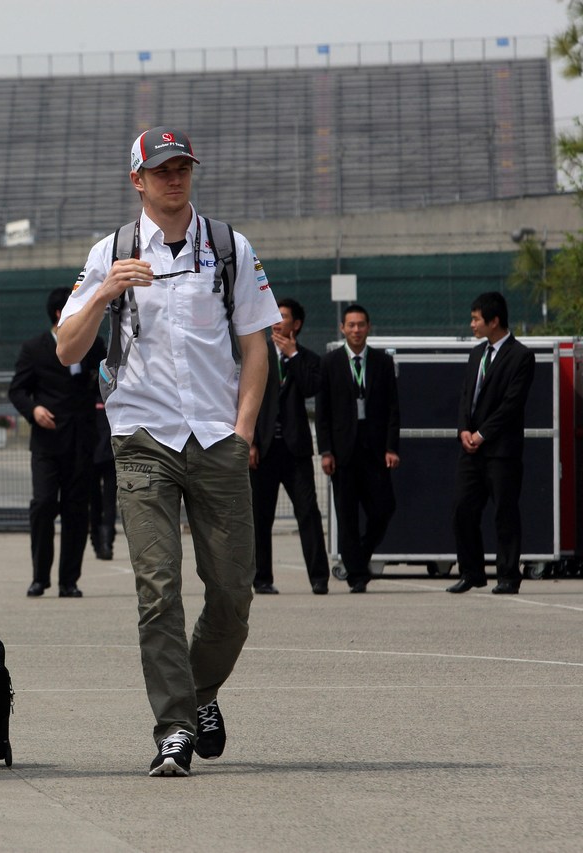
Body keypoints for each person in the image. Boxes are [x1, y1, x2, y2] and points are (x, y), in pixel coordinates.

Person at [57, 127, 279, 777]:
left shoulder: (229, 248)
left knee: (234, 595)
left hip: (215, 439)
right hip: (143, 439)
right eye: (160, 170)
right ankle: (175, 727)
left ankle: (199, 689)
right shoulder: (112, 252)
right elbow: (68, 349)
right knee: (158, 589)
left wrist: (242, 431)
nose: (173, 178)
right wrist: (104, 292)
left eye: (182, 167)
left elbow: (256, 348)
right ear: (138, 181)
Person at [8, 287, 105, 598]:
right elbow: (18, 390)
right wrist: (34, 410)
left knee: (78, 511)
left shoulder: (95, 346)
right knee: (44, 504)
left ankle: (69, 581)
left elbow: (105, 384)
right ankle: (40, 577)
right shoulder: (34, 348)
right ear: (59, 314)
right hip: (47, 444)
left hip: (82, 442)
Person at [447, 291, 534, 595]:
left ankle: (508, 575)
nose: (472, 324)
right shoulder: (476, 354)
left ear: (494, 321)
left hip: (501, 451)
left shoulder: (521, 356)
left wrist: (482, 434)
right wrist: (463, 430)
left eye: (476, 319)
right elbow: (465, 399)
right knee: (462, 509)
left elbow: (511, 405)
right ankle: (472, 572)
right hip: (471, 450)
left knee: (505, 513)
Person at [315, 304, 401, 593]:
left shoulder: (382, 361)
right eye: (350, 325)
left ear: (368, 327)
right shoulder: (330, 363)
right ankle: (357, 577)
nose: (355, 330)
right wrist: (325, 451)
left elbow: (392, 409)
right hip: (343, 452)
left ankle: (359, 558)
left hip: (375, 450)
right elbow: (323, 412)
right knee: (347, 515)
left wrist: (392, 447)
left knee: (384, 508)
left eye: (360, 324)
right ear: (342, 328)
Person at [249, 297, 330, 595]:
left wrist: (293, 355)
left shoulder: (309, 359)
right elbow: (247, 401)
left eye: (282, 316)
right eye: (273, 315)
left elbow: (311, 388)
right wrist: (251, 443)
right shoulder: (258, 356)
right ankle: (261, 578)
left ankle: (319, 578)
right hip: (264, 449)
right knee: (260, 515)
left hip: (295, 451)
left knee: (308, 512)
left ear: (296, 324)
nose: (276, 320)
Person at [88, 404, 117, 560]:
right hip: (108, 451)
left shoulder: (86, 394)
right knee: (107, 501)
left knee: (96, 501)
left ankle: (100, 542)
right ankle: (105, 542)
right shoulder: (111, 391)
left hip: (95, 453)